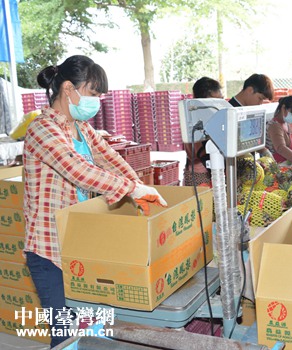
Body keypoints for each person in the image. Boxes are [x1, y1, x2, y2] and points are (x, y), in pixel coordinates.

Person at [23, 55, 167, 348]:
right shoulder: (42, 129)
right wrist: (130, 190)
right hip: (49, 249)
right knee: (66, 332)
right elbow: (78, 170)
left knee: (92, 327)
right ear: (68, 89)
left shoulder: (82, 128)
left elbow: (110, 159)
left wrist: (140, 187)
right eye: (92, 93)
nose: (97, 101)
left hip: (81, 244)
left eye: (100, 95)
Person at [183, 77, 223, 187]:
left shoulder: (214, 116)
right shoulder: (193, 119)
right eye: (214, 101)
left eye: (221, 99)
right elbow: (202, 152)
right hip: (201, 176)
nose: (219, 105)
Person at [229, 73, 275, 158]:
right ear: (250, 90)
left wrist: (263, 150)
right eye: (260, 98)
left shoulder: (249, 111)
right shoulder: (230, 112)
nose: (260, 103)